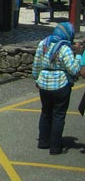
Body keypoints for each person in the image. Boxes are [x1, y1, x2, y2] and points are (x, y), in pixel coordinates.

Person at [31, 22, 83, 155]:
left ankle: (43, 141)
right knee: (58, 115)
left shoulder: (44, 43)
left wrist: (37, 79)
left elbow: (36, 64)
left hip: (44, 84)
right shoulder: (65, 48)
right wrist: (78, 54)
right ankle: (55, 147)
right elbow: (73, 70)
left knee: (46, 113)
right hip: (60, 85)